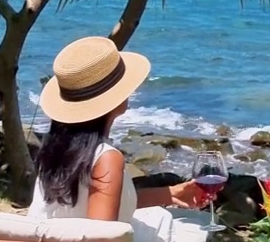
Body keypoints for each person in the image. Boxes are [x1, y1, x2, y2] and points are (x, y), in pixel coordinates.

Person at [28, 36, 209, 222]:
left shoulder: (55, 152)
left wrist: (170, 194)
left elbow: (92, 204)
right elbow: (101, 240)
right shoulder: (105, 158)